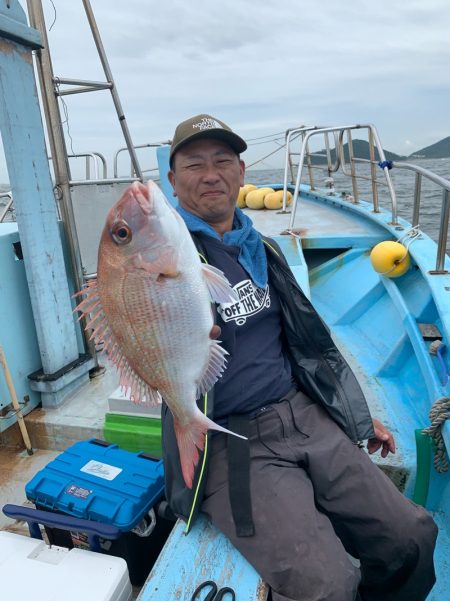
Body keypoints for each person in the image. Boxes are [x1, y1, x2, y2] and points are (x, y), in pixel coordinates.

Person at [161, 114, 438, 601]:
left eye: (223, 161)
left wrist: (351, 414)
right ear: (172, 179)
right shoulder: (166, 262)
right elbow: (132, 316)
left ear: (242, 173)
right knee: (328, 586)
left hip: (304, 413)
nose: (211, 174)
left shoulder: (261, 247)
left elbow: (308, 344)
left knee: (412, 536)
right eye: (194, 164)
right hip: (230, 438)